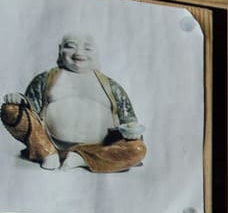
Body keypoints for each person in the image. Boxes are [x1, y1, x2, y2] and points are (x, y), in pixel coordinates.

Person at [1, 34, 147, 174]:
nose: (79, 53)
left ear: (97, 53)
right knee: (10, 110)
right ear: (60, 50)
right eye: (70, 46)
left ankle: (82, 158)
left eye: (87, 48)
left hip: (102, 148)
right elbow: (31, 109)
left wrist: (132, 131)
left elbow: (129, 120)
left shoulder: (112, 86)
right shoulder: (44, 80)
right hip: (51, 143)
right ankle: (46, 152)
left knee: (138, 149)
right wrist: (21, 101)